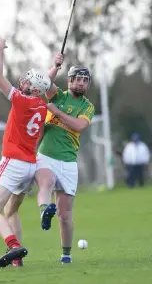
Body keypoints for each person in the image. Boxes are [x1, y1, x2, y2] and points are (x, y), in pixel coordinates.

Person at [0, 39, 61, 268]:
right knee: (11, 211)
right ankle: (17, 259)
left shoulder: (20, 100)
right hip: (30, 165)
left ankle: (13, 246)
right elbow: (44, 83)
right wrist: (54, 68)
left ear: (32, 88)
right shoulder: (40, 103)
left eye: (28, 81)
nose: (23, 82)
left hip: (13, 162)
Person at [35, 63, 95, 264]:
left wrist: (57, 112)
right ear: (69, 80)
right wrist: (55, 66)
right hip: (47, 155)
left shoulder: (87, 106)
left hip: (69, 161)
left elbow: (79, 125)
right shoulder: (57, 95)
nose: (81, 83)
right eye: (78, 79)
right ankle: (44, 209)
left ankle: (66, 255)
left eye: (85, 80)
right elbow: (43, 83)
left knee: (65, 215)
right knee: (46, 182)